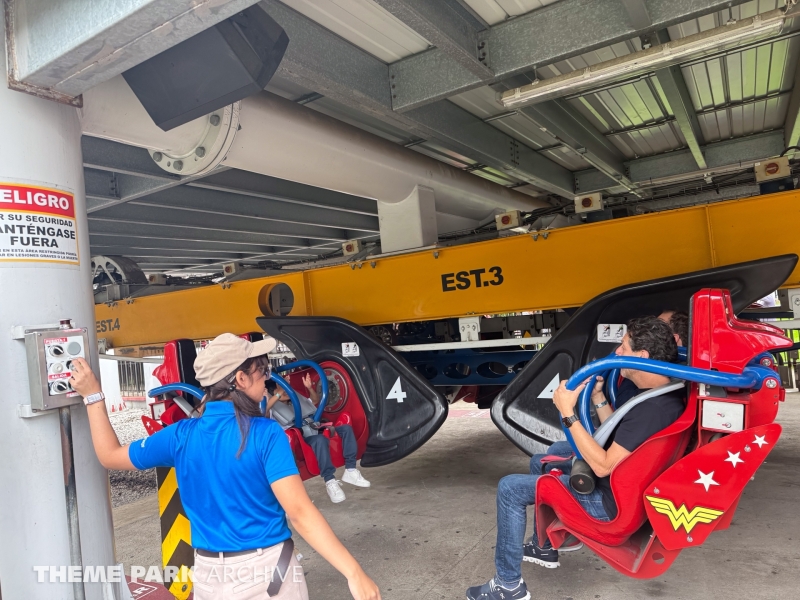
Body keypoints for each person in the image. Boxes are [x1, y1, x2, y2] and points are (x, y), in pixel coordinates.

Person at [70, 333, 381, 600]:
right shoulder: (266, 434)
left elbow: (110, 455)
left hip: (208, 578)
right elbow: (299, 513)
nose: (267, 379)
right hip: (269, 575)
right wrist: (354, 572)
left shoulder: (180, 436)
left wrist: (93, 396)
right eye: (262, 372)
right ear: (241, 379)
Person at [466, 316, 684, 600]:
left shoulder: (653, 409)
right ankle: (544, 546)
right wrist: (597, 398)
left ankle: (507, 585)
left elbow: (604, 465)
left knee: (510, 488)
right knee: (539, 462)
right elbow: (620, 434)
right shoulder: (660, 395)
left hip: (608, 506)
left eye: (623, 347)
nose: (617, 353)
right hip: (619, 491)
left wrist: (568, 413)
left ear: (642, 356)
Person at [266, 375, 370, 503]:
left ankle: (350, 469)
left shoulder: (295, 400)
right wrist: (277, 394)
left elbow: (314, 401)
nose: (286, 392)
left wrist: (309, 388)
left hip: (314, 429)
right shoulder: (271, 410)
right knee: (319, 440)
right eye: (282, 391)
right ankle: (330, 480)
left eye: (287, 389)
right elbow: (264, 411)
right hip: (301, 440)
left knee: (345, 429)